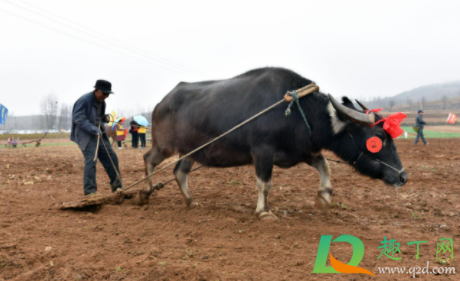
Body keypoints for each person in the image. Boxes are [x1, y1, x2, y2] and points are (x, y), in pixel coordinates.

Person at [70, 79, 122, 196]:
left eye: (108, 94)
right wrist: (94, 129)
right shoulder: (84, 100)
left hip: (99, 134)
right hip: (86, 135)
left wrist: (105, 118)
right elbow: (78, 118)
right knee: (91, 161)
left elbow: (98, 117)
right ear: (96, 90)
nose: (106, 96)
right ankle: (90, 192)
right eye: (104, 93)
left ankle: (117, 187)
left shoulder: (102, 101)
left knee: (112, 157)